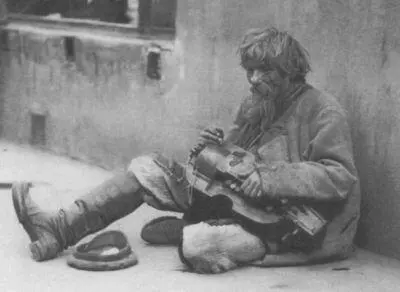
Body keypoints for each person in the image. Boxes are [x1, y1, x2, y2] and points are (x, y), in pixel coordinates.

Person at [12, 26, 360, 274]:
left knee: (197, 246)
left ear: (288, 70)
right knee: (148, 167)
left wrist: (269, 178)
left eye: (263, 70)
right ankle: (57, 230)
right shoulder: (258, 102)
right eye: (250, 71)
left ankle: (196, 226)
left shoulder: (323, 110)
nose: (253, 80)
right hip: (235, 200)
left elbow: (339, 175)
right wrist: (214, 147)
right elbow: (236, 160)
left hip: (286, 229)